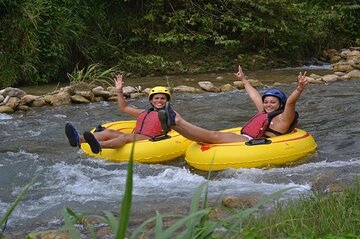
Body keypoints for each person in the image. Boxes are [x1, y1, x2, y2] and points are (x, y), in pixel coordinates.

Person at [160, 65, 309, 144]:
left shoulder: (284, 118)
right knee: (203, 138)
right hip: (246, 138)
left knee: (212, 135)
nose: (268, 105)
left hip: (249, 142)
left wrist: (299, 88)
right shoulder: (265, 111)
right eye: (266, 102)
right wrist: (244, 80)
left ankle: (178, 120)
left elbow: (291, 102)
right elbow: (254, 95)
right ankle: (173, 125)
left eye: (272, 102)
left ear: (280, 104)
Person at [65, 74, 172, 154]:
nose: (159, 100)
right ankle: (78, 139)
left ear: (167, 101)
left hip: (149, 139)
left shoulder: (169, 113)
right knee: (108, 132)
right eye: (156, 98)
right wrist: (119, 91)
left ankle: (100, 145)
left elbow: (178, 124)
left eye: (163, 98)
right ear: (151, 101)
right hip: (136, 136)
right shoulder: (144, 112)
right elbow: (124, 107)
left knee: (126, 137)